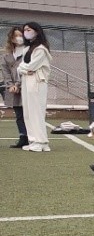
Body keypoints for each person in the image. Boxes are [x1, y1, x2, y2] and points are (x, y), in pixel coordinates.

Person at [15, 22, 51, 152]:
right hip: (26, 80)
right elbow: (21, 67)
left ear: (37, 31)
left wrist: (22, 68)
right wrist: (22, 69)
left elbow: (32, 66)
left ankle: (41, 141)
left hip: (37, 81)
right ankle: (34, 140)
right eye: (25, 30)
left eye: (29, 29)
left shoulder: (41, 49)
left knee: (36, 112)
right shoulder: (27, 49)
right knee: (28, 112)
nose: (26, 32)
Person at [4, 27, 28, 148]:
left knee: (28, 113)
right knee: (19, 114)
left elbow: (26, 69)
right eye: (16, 36)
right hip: (13, 89)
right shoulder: (7, 55)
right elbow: (5, 71)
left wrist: (18, 84)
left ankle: (32, 137)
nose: (18, 38)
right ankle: (23, 137)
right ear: (11, 38)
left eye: (20, 35)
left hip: (26, 85)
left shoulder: (28, 51)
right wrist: (10, 85)